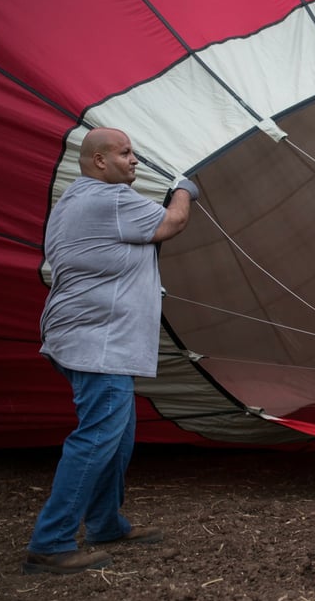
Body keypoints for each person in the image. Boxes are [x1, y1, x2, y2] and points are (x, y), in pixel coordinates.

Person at [22, 127, 198, 575]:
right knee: (98, 438)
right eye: (125, 153)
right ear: (99, 161)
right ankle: (51, 543)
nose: (134, 160)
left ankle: (105, 524)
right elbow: (170, 223)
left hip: (88, 338)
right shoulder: (110, 199)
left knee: (116, 438)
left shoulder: (73, 201)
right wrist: (185, 189)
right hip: (97, 342)